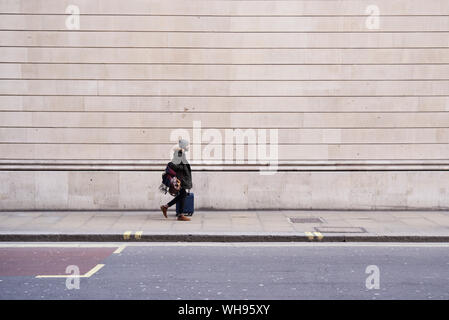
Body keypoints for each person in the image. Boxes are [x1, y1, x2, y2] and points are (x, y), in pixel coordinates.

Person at [160, 139, 192, 221]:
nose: (189, 146)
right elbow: (174, 165)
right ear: (184, 146)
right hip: (180, 179)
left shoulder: (181, 153)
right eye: (187, 145)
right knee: (183, 194)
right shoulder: (179, 153)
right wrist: (183, 167)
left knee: (182, 195)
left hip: (182, 178)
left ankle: (167, 208)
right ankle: (178, 214)